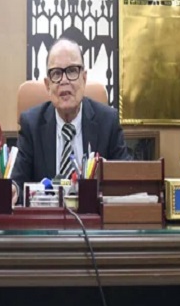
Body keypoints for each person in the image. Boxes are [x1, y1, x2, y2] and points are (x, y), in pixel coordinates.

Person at [11, 38, 130, 203]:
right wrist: (13, 189)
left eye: (72, 71)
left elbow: (126, 179)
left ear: (84, 78)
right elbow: (18, 181)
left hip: (93, 217)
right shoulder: (31, 124)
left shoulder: (107, 121)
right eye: (56, 73)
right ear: (47, 85)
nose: (64, 80)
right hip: (46, 217)